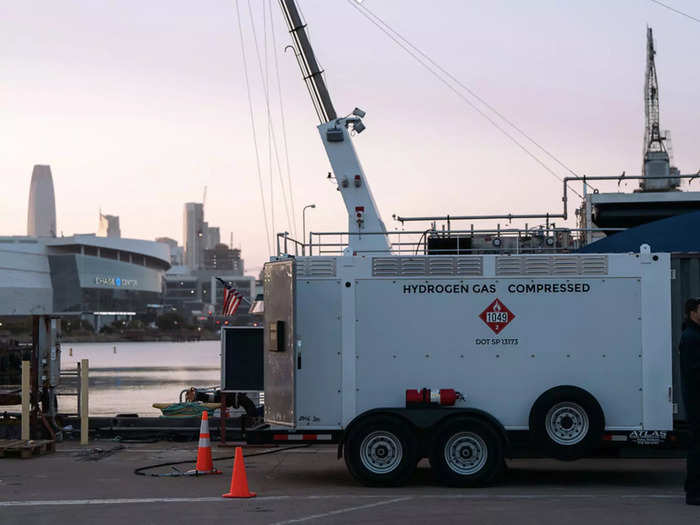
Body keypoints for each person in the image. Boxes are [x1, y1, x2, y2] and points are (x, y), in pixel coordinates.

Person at [680, 297, 700, 505]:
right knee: (697, 448)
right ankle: (693, 493)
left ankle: (691, 487)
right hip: (696, 402)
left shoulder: (693, 335)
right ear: (693, 312)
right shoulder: (691, 337)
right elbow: (693, 371)